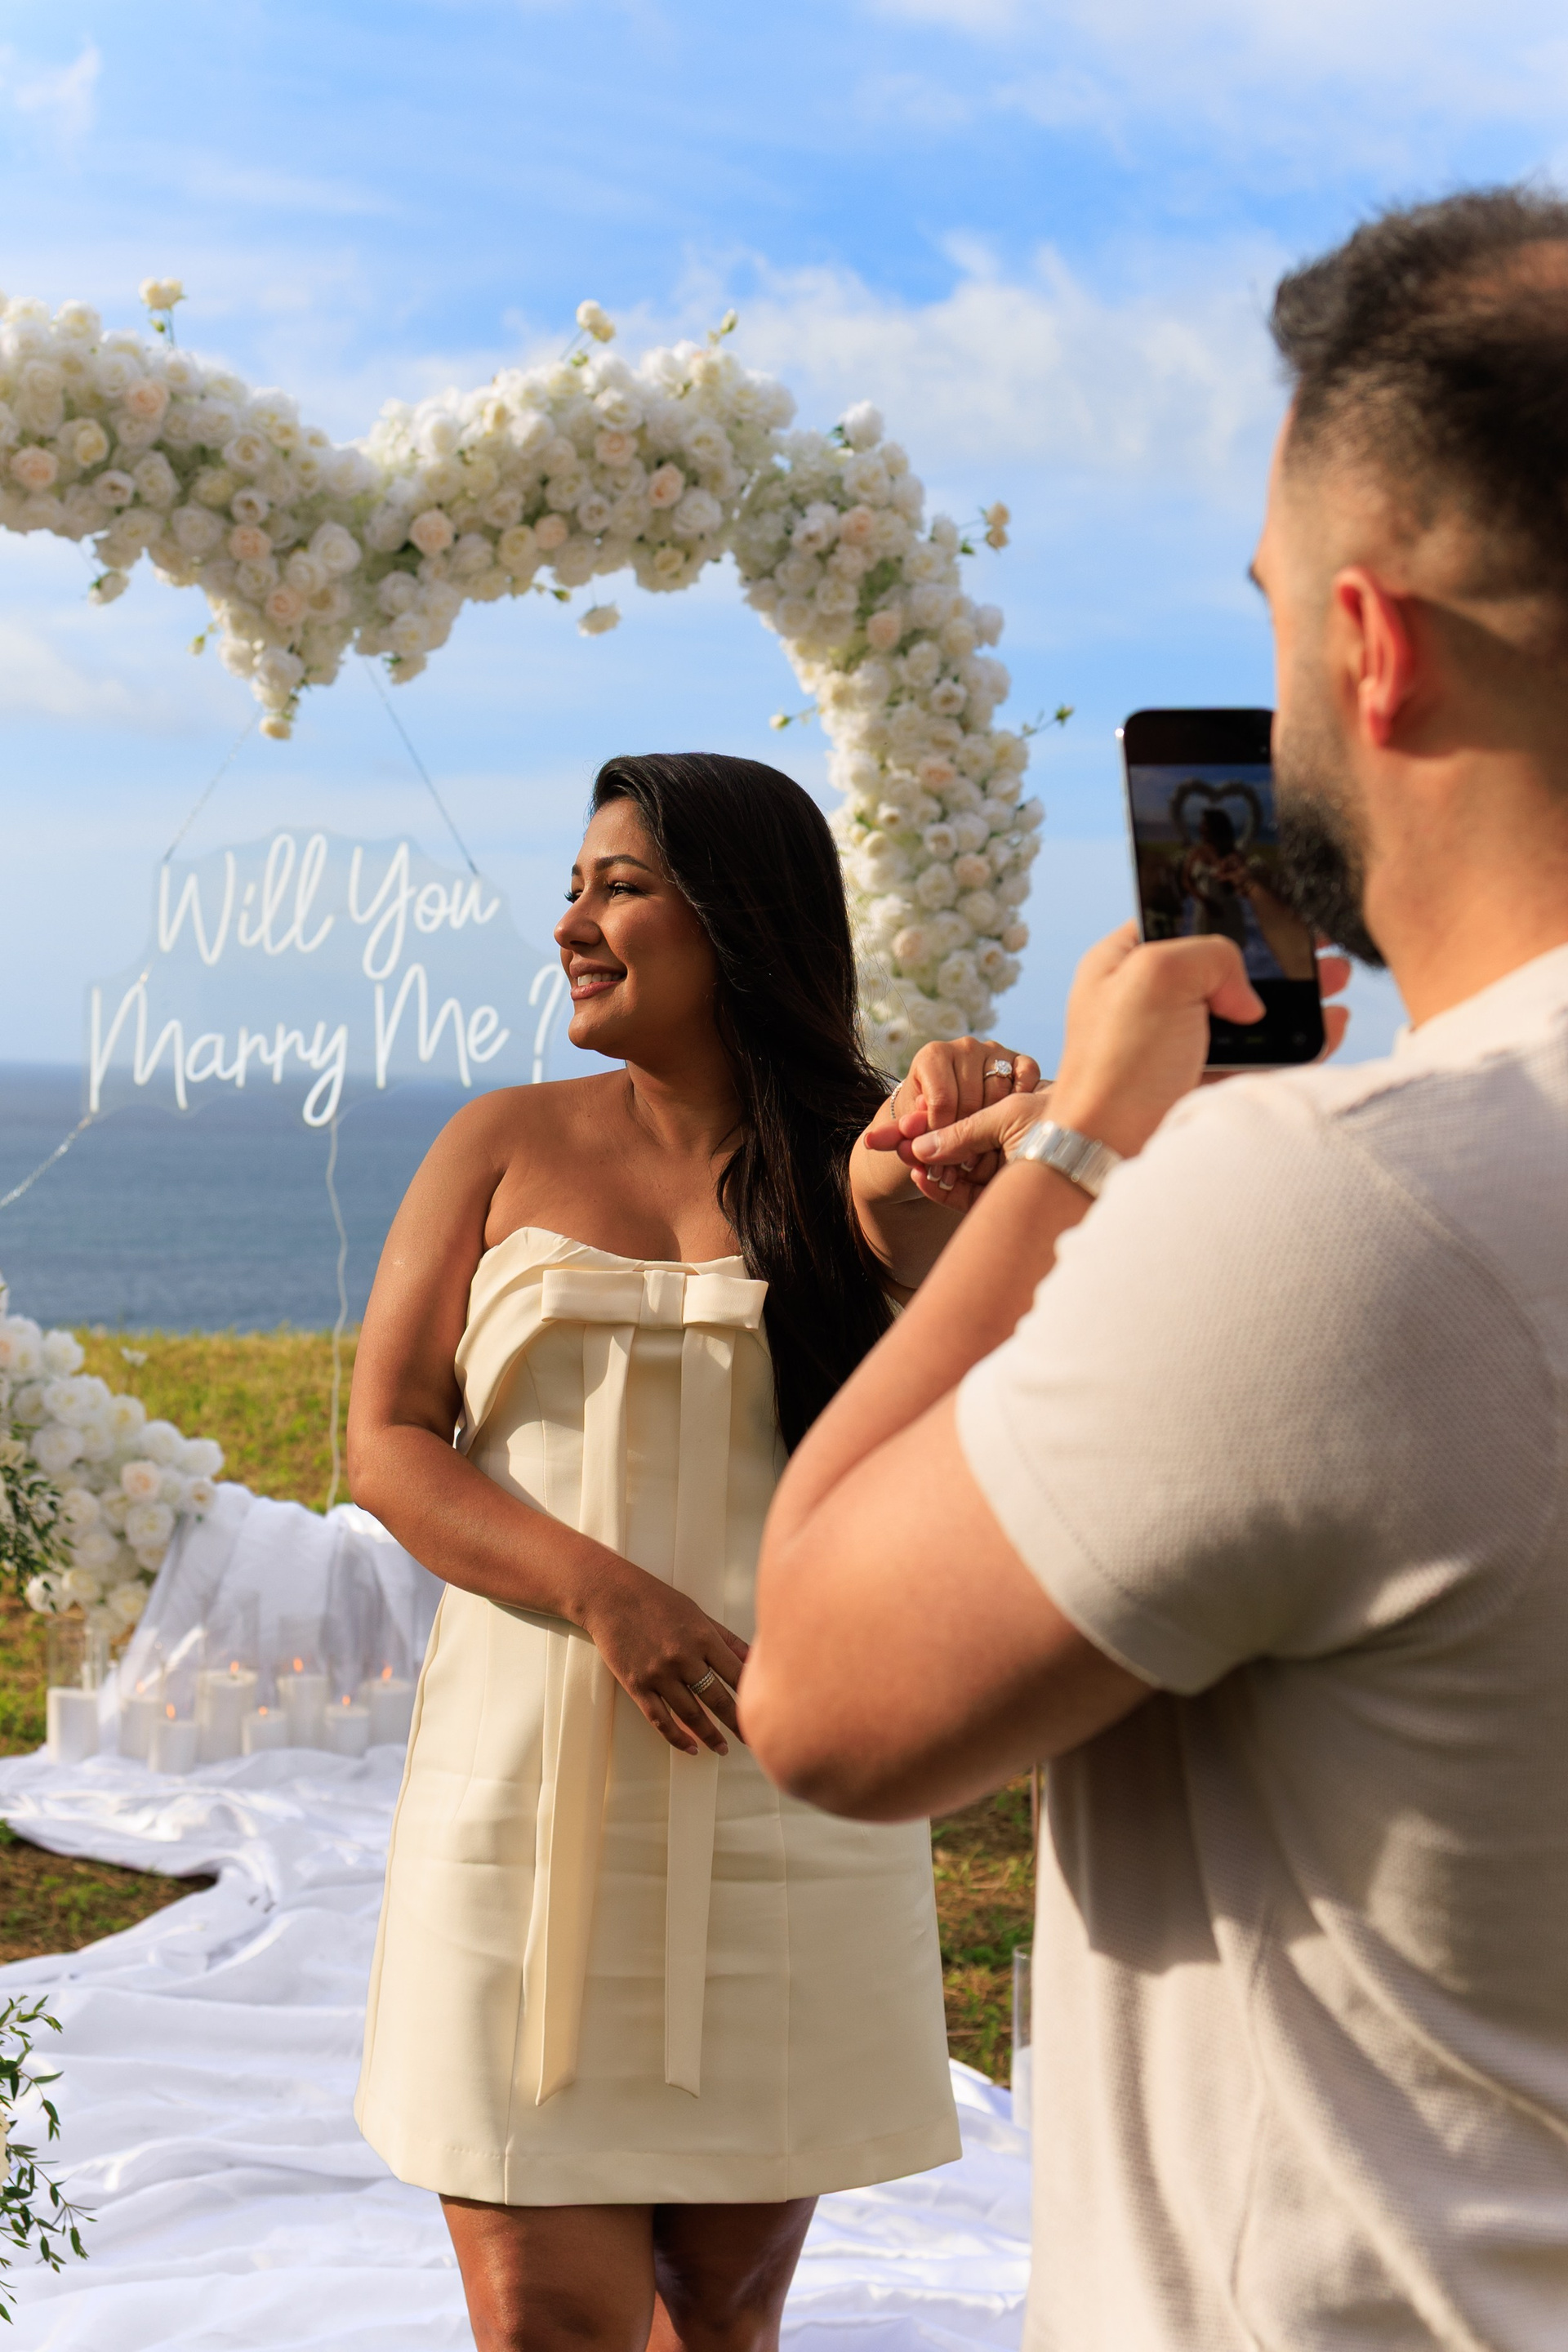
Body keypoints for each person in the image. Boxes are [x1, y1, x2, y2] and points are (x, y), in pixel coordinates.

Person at [742, 185, 1568, 2350]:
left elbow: (819, 1692)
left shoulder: (1344, 1207)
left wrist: (1091, 1145)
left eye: (1274, 612)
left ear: (1373, 646)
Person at [346, 751, 1039, 2352]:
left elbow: (965, 1283)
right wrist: (608, 1594)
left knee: (721, 2316)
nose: (572, 922)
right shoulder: (496, 1143)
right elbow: (387, 1442)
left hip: (779, 1802)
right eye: (575, 888)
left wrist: (974, 1117)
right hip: (522, 1804)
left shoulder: (861, 1162)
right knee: (546, 2323)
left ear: (738, 917)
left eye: (622, 886)